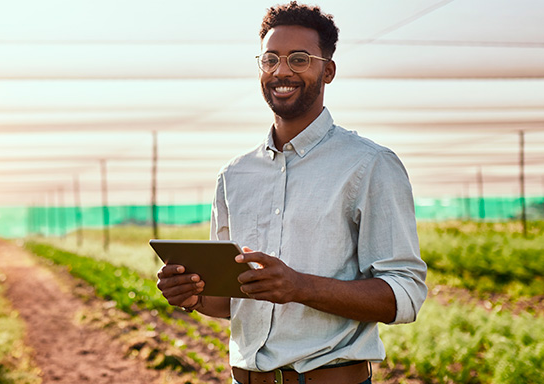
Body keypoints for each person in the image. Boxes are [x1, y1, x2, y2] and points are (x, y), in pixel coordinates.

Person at [156, 2, 428, 384]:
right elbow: (231, 301)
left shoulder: (369, 165)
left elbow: (405, 293)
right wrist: (193, 294)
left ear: (327, 70)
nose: (281, 71)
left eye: (299, 59)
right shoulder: (234, 174)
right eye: (270, 60)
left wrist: (300, 287)